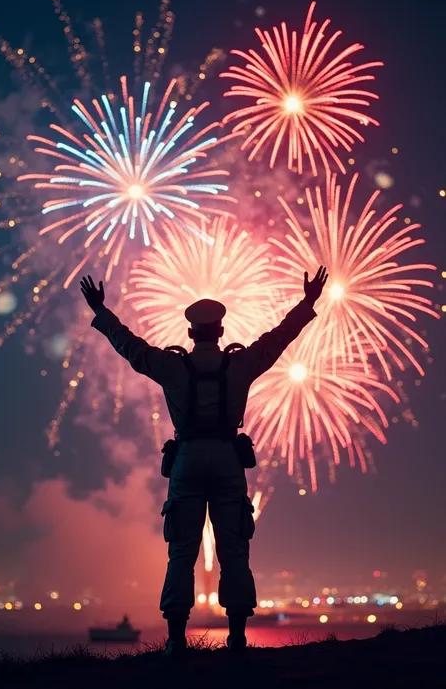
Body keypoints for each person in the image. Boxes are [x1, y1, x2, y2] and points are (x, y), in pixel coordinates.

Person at [80, 266, 328, 657]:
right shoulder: (242, 364)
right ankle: (238, 638)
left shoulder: (172, 367)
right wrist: (308, 301)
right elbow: (281, 338)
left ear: (192, 333)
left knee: (181, 549)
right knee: (235, 551)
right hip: (229, 460)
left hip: (187, 461)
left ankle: (176, 640)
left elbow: (130, 346)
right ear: (222, 331)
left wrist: (102, 310)